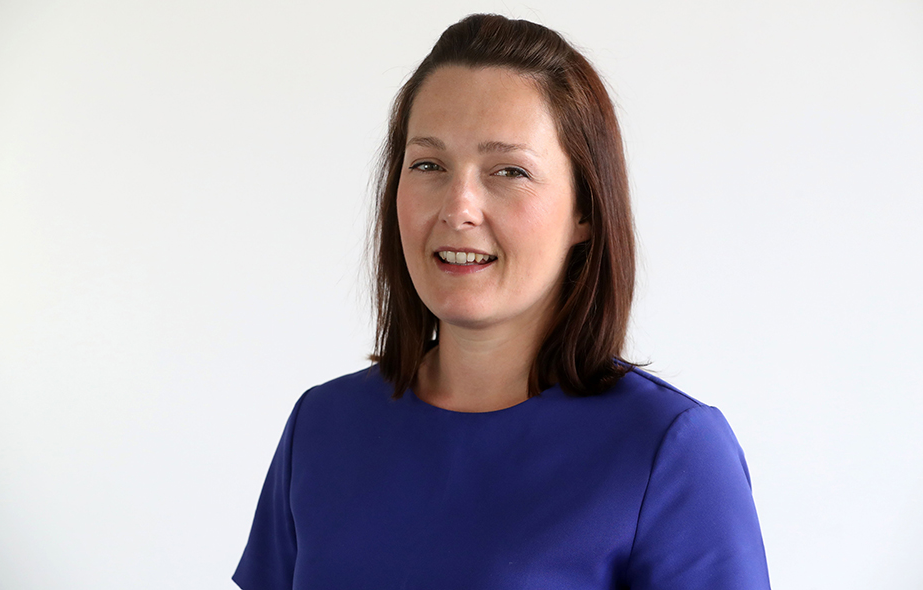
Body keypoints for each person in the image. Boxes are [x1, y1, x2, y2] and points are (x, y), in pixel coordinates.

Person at [234, 13, 770, 590]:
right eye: (428, 165)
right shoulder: (322, 427)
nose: (458, 208)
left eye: (509, 170)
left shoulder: (671, 453)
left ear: (585, 212)